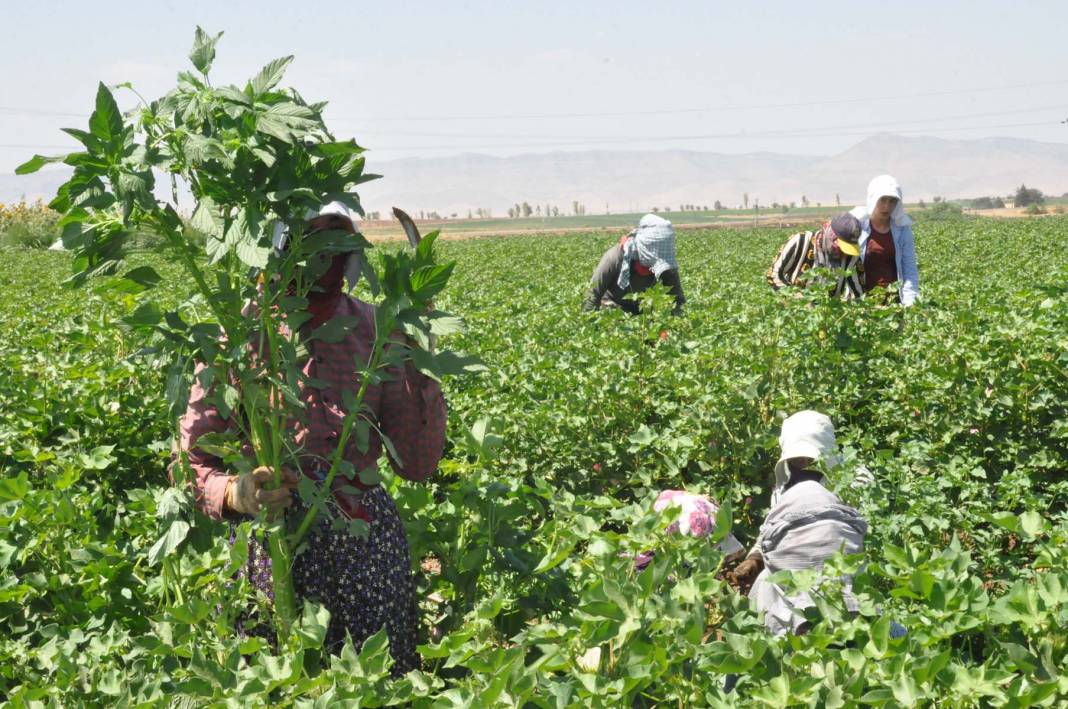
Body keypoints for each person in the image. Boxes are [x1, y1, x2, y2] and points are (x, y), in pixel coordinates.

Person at [176, 202, 446, 672]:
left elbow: (417, 465)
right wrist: (237, 494)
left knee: (374, 681)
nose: (326, 256)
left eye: (337, 240)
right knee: (278, 680)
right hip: (273, 547)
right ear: (280, 246)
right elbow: (192, 463)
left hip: (365, 549)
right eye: (310, 239)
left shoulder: (379, 329)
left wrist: (421, 362)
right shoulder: (238, 337)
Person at [727, 411, 867, 637]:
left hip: (842, 570)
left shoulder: (856, 480)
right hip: (793, 571)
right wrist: (755, 558)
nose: (803, 462)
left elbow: (860, 531)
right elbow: (773, 528)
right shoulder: (784, 486)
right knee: (765, 590)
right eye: (798, 457)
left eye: (809, 457)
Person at [583, 213, 685, 315]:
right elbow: (593, 295)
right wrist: (591, 323)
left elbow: (677, 298)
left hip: (645, 309)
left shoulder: (665, 264)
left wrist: (675, 323)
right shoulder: (614, 257)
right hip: (612, 308)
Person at [850, 175, 921, 306]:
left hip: (893, 304)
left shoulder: (902, 230)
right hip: (862, 303)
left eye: (892, 201)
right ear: (873, 199)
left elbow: (909, 270)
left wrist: (910, 303)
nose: (887, 206)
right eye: (882, 200)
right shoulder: (857, 226)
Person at [767, 213, 864, 299]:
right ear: (830, 234)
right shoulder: (800, 241)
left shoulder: (851, 255)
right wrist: (794, 297)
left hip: (829, 315)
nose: (844, 252)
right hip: (793, 312)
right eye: (841, 245)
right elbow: (773, 274)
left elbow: (859, 295)